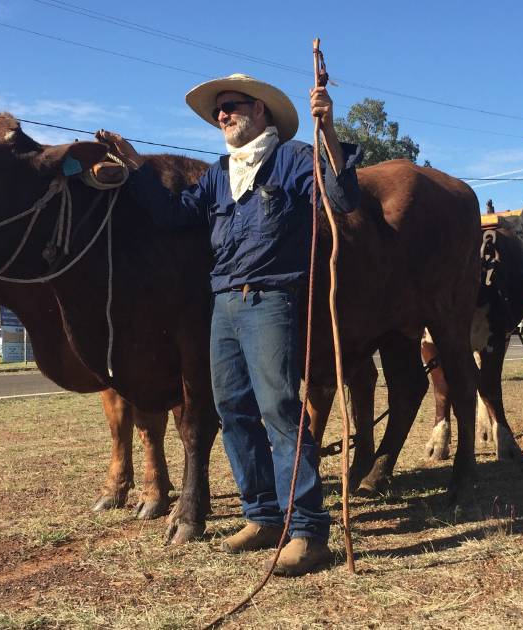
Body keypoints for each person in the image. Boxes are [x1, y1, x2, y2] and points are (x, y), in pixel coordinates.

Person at [99, 73, 361, 576]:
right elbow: (175, 216)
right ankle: (262, 514)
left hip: (272, 300)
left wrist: (328, 129)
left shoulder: (293, 158)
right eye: (218, 110)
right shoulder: (220, 174)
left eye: (231, 106)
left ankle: (307, 529)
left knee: (280, 411)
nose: (221, 115)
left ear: (260, 111)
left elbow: (342, 198)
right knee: (232, 409)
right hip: (223, 305)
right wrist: (135, 167)